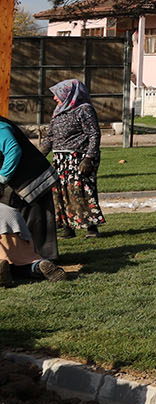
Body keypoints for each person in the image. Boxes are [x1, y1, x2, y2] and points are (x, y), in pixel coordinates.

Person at [0, 112, 61, 283]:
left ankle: (34, 260)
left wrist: (1, 179)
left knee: (34, 217)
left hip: (30, 178)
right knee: (20, 220)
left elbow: (13, 150)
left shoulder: (0, 127)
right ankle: (40, 261)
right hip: (19, 182)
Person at [46, 79, 103, 238]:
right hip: (60, 159)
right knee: (60, 193)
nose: (54, 98)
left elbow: (94, 134)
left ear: (68, 94)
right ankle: (67, 229)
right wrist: (37, 155)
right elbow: (50, 137)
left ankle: (91, 228)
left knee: (80, 192)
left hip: (78, 158)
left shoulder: (84, 110)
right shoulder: (58, 111)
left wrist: (89, 158)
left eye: (57, 95)